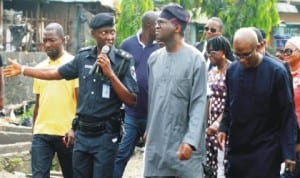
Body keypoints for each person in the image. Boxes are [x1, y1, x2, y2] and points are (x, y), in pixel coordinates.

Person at [4, 13, 138, 178]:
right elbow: (55, 73)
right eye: (104, 33)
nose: (110, 37)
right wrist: (23, 70)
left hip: (106, 136)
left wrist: (110, 74)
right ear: (94, 34)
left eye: (112, 32)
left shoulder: (123, 61)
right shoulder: (83, 57)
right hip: (82, 136)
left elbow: (132, 100)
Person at [217, 27, 297, 177]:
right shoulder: (233, 70)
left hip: (265, 149)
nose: (241, 59)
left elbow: (287, 114)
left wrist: (289, 152)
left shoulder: (277, 72)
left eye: (246, 55)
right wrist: (223, 127)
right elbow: (229, 103)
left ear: (258, 47)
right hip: (238, 147)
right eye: (237, 54)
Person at [144, 3, 207, 178]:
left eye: (161, 22)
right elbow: (153, 99)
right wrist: (149, 128)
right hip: (156, 147)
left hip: (184, 148)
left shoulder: (196, 60)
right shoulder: (154, 59)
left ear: (177, 27)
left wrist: (190, 141)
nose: (156, 26)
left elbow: (199, 103)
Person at [113, 11, 159, 178]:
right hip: (131, 113)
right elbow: (118, 74)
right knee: (121, 155)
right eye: (157, 26)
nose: (160, 29)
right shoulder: (127, 45)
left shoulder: (160, 47)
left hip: (153, 114)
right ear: (148, 26)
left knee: (154, 158)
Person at [30, 23, 78, 178]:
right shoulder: (39, 68)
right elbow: (38, 104)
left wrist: (76, 129)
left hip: (67, 134)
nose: (47, 44)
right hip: (42, 134)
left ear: (63, 40)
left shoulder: (74, 65)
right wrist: (33, 133)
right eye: (44, 40)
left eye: (52, 40)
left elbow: (81, 101)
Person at [205, 36, 232, 178]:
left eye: (212, 52)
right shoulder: (211, 73)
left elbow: (231, 102)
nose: (209, 56)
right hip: (210, 125)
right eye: (207, 52)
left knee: (224, 164)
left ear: (223, 52)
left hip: (225, 124)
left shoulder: (233, 70)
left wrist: (218, 123)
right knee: (211, 165)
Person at [282, 36, 300, 177]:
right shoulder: (280, 73)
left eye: (289, 50)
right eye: (283, 50)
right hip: (285, 134)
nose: (285, 54)